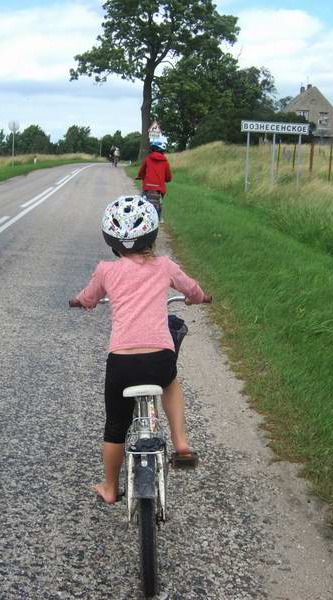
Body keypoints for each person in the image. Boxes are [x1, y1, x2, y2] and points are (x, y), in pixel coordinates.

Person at [69, 196, 211, 504]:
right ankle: (181, 441)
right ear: (152, 235)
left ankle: (109, 487)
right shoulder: (165, 266)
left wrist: (81, 301)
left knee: (116, 426)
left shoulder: (106, 270)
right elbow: (192, 290)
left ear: (112, 240)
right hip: (158, 359)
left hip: (121, 363)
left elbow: (89, 297)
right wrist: (199, 299)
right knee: (170, 382)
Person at [136, 137, 171, 217]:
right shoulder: (165, 162)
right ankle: (158, 218)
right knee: (159, 204)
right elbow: (168, 178)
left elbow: (141, 172)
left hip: (147, 187)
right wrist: (166, 179)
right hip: (159, 190)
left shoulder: (148, 159)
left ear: (152, 149)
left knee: (142, 203)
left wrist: (140, 176)